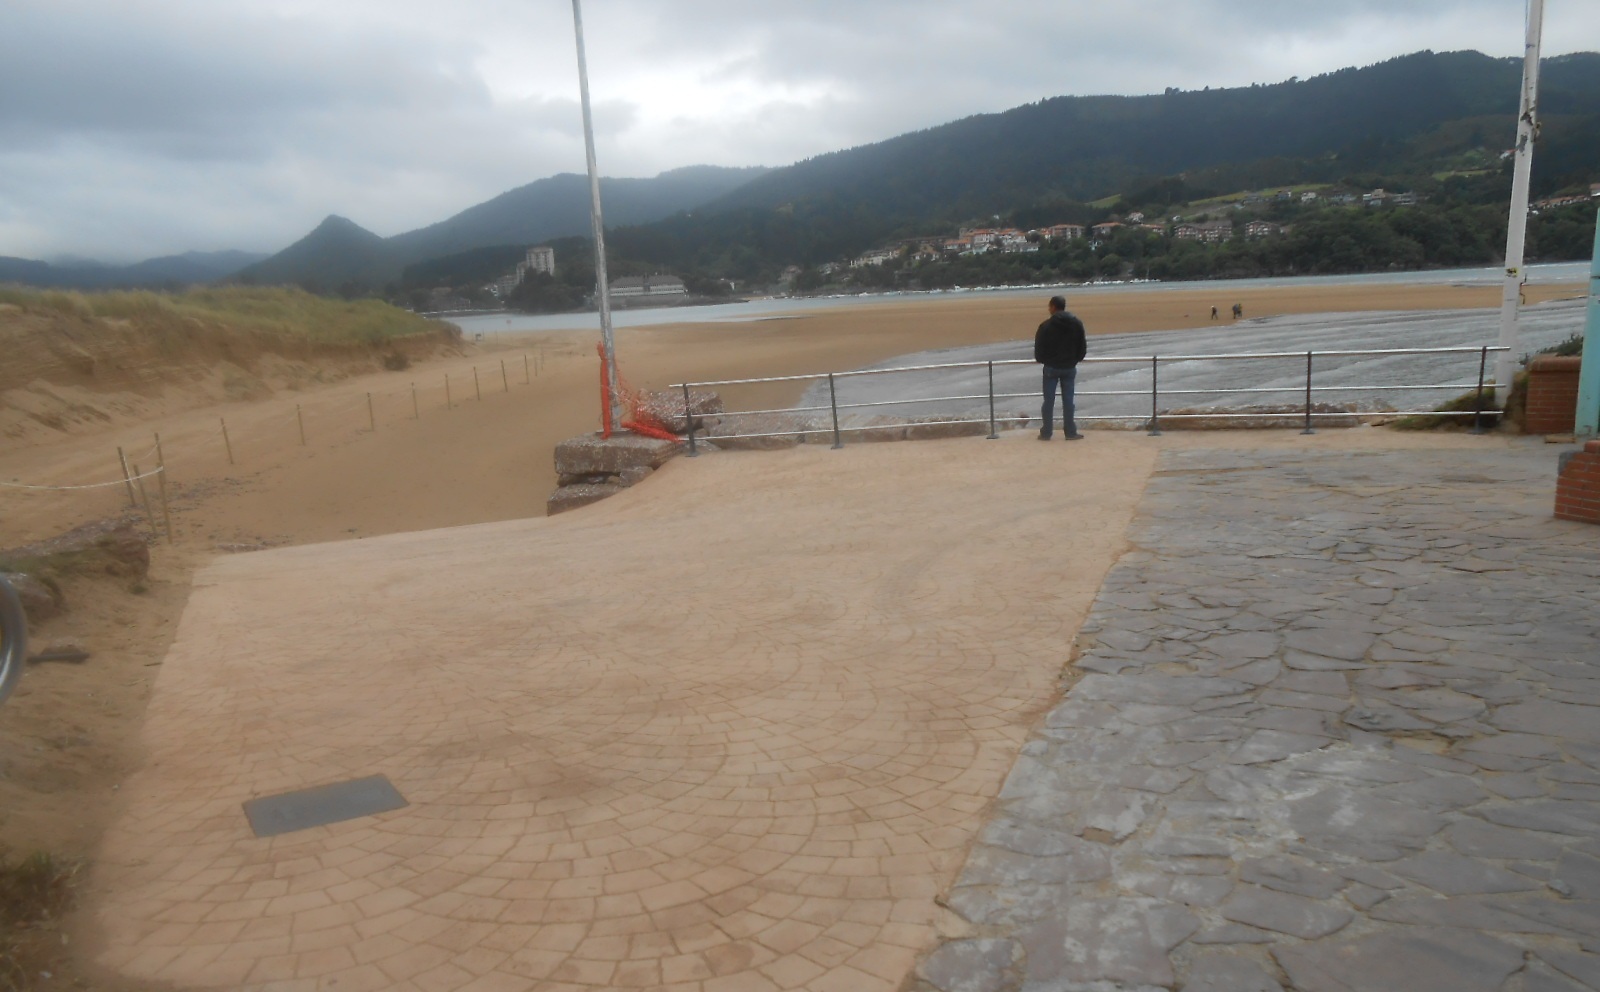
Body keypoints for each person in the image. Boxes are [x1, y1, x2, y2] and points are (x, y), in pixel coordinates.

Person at [1034, 295, 1087, 440]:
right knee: (1069, 401)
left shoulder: (1045, 326)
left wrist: (1045, 360)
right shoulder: (1076, 324)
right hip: (1069, 367)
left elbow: (1038, 351)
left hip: (1051, 367)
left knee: (1048, 402)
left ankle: (1046, 432)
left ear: (1052, 307)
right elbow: (1082, 347)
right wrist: (1075, 359)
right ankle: (1070, 432)